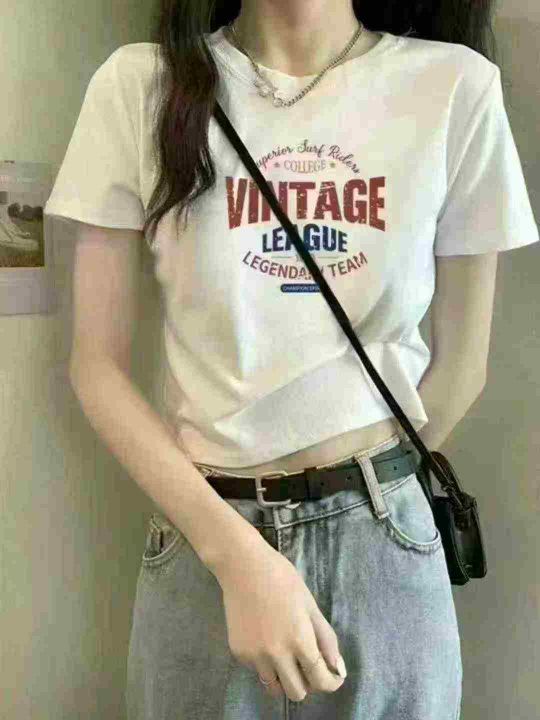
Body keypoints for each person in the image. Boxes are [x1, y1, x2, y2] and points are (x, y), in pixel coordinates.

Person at [43, 1, 540, 718]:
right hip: (205, 537)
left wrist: (364, 500)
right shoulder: (140, 84)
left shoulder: (456, 86)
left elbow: (464, 367)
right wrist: (235, 554)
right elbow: (96, 369)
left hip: (386, 547)